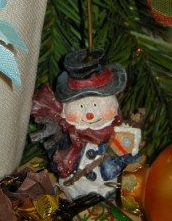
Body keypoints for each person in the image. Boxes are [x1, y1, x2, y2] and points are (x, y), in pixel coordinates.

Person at [31, 49, 141, 199]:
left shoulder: (118, 134)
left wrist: (131, 150)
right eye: (81, 106)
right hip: (74, 187)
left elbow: (129, 158)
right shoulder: (69, 136)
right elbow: (57, 155)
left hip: (105, 188)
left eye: (96, 105)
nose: (90, 114)